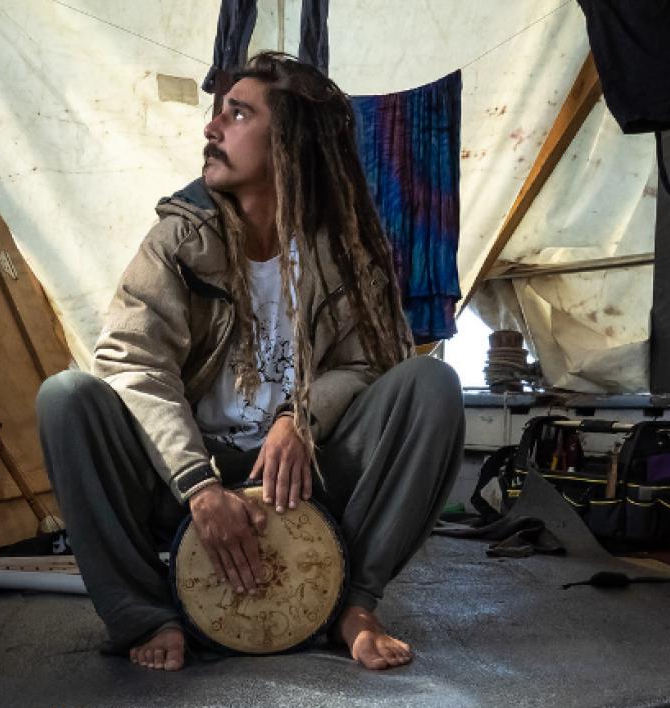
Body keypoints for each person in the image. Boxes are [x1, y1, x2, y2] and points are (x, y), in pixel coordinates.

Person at [36, 51, 466, 672]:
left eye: (237, 114)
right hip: (186, 473)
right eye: (219, 113)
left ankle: (353, 602)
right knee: (65, 398)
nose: (212, 129)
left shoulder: (343, 248)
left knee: (432, 384)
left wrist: (301, 417)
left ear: (289, 142)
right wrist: (199, 486)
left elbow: (375, 363)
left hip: (305, 474)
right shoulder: (178, 239)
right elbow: (132, 361)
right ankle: (144, 613)